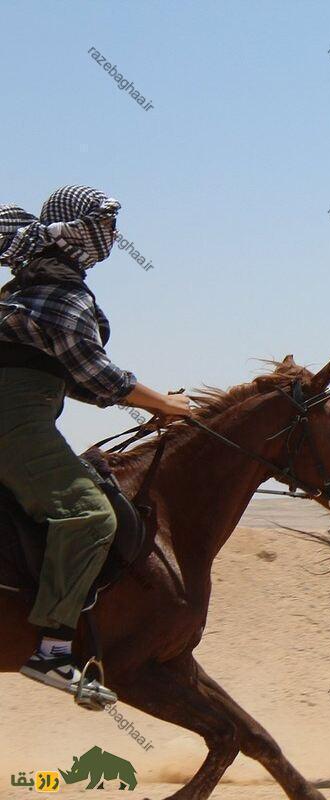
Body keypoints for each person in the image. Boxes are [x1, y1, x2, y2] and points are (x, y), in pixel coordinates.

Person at [0, 186, 193, 705]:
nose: (111, 236)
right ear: (79, 233)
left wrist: (152, 402)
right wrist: (168, 407)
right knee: (91, 516)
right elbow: (98, 373)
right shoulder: (62, 296)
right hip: (14, 429)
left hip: (19, 422)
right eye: (104, 225)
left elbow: (79, 381)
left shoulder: (28, 288)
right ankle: (53, 649)